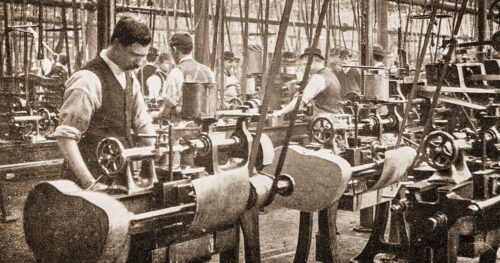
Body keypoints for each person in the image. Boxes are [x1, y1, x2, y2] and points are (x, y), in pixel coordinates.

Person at [54, 16, 156, 189]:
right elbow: (66, 137)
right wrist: (90, 183)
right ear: (116, 44)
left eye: (143, 56)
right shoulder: (88, 80)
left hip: (120, 177)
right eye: (134, 55)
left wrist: (156, 153)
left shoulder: (130, 78)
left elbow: (142, 121)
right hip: (88, 180)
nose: (139, 63)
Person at [273, 47, 342, 117]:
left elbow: (300, 100)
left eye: (305, 64)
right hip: (333, 118)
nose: (303, 68)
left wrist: (280, 112)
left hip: (323, 120)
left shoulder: (318, 78)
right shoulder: (329, 74)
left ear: (315, 61)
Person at [160, 32, 215, 116]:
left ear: (174, 49)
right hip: (206, 123)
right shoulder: (208, 71)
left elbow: (167, 109)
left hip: (181, 125)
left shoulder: (176, 72)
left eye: (171, 51)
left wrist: (155, 115)